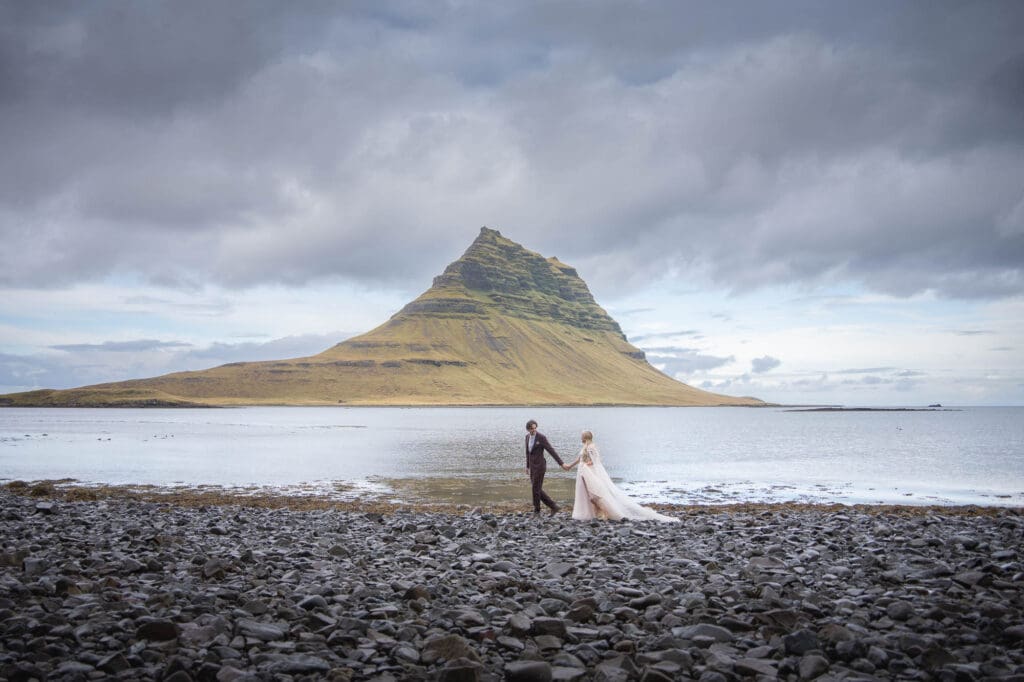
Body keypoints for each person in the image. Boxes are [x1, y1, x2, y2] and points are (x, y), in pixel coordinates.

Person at [563, 430, 679, 522]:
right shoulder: (584, 447)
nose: (580, 437)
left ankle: (604, 512)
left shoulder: (591, 447)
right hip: (583, 471)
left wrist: (588, 464)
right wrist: (570, 466)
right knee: (587, 493)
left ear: (586, 437)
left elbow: (596, 460)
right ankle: (595, 513)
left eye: (582, 436)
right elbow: (579, 459)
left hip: (590, 472)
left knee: (593, 494)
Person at [525, 419, 565, 516]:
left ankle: (537, 509)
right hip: (532, 466)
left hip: (540, 466)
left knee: (535, 488)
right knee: (537, 488)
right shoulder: (526, 437)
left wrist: (561, 463)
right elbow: (527, 452)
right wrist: (527, 466)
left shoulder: (541, 437)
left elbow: (551, 451)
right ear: (528, 429)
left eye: (535, 428)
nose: (534, 430)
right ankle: (554, 506)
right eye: (531, 429)